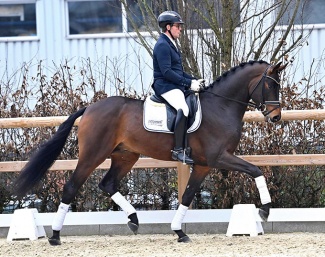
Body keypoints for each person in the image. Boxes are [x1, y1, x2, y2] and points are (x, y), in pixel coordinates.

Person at [152, 10, 204, 164]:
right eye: (177, 26)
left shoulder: (171, 43)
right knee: (184, 109)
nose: (180, 29)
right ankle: (178, 150)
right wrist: (188, 83)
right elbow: (167, 72)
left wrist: (194, 79)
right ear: (168, 27)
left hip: (174, 84)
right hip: (165, 86)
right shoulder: (162, 45)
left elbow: (178, 71)